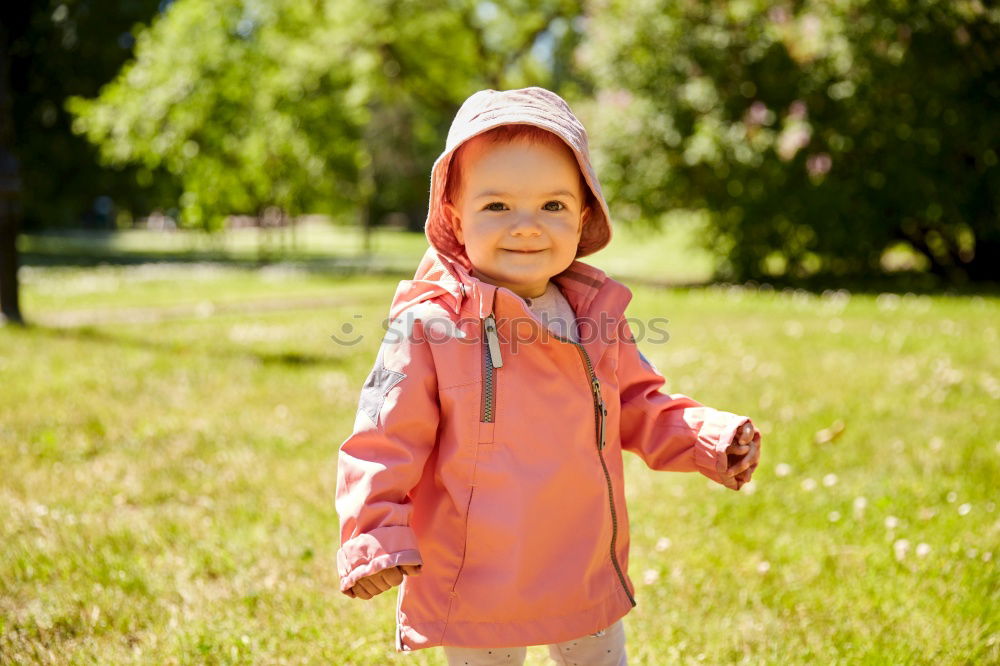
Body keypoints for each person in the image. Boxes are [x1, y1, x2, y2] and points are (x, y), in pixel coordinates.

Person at [335, 87, 762, 665]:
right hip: (479, 569)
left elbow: (638, 402)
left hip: (579, 558)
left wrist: (707, 437)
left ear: (584, 215)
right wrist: (375, 533)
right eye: (497, 207)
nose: (527, 227)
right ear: (456, 220)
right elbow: (384, 437)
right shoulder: (431, 326)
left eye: (553, 206)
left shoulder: (594, 315)